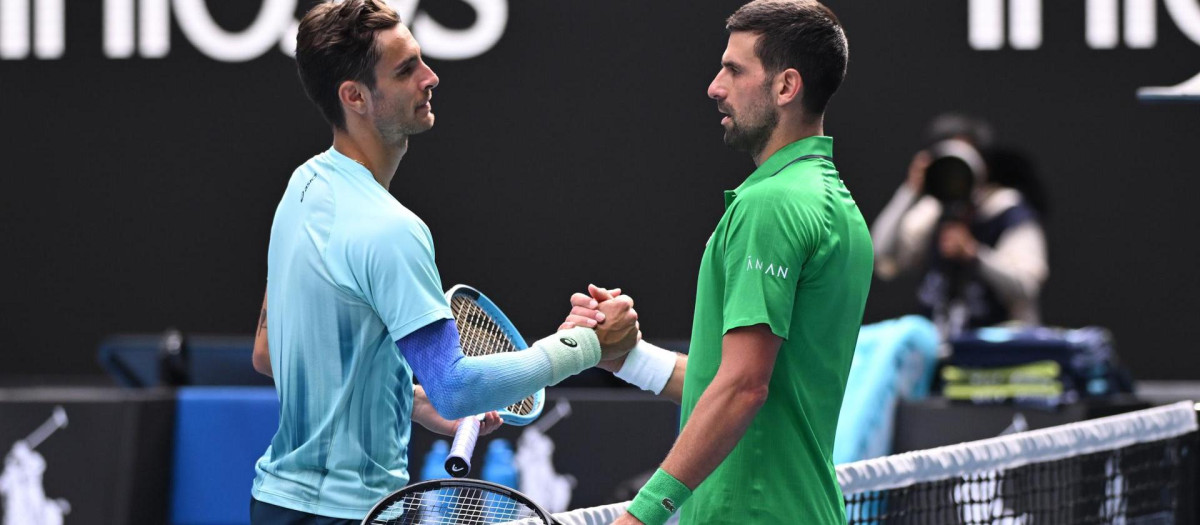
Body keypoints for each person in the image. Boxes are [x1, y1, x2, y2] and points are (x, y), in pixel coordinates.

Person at [246, 2, 640, 523]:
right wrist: (585, 346)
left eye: (421, 61)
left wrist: (408, 399)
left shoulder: (301, 188)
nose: (430, 78)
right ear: (354, 96)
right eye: (406, 70)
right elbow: (455, 388)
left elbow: (270, 352)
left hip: (275, 503)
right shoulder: (392, 230)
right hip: (351, 514)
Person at [563, 1, 872, 523]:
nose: (714, 86)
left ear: (785, 87)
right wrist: (629, 358)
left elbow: (744, 388)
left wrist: (640, 516)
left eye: (734, 69)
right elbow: (746, 381)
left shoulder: (770, 205)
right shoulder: (835, 205)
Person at [870, 114, 1048, 337]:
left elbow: (1026, 286)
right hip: (939, 350)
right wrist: (910, 190)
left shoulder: (1008, 211)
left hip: (1000, 353)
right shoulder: (931, 213)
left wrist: (974, 255)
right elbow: (883, 255)